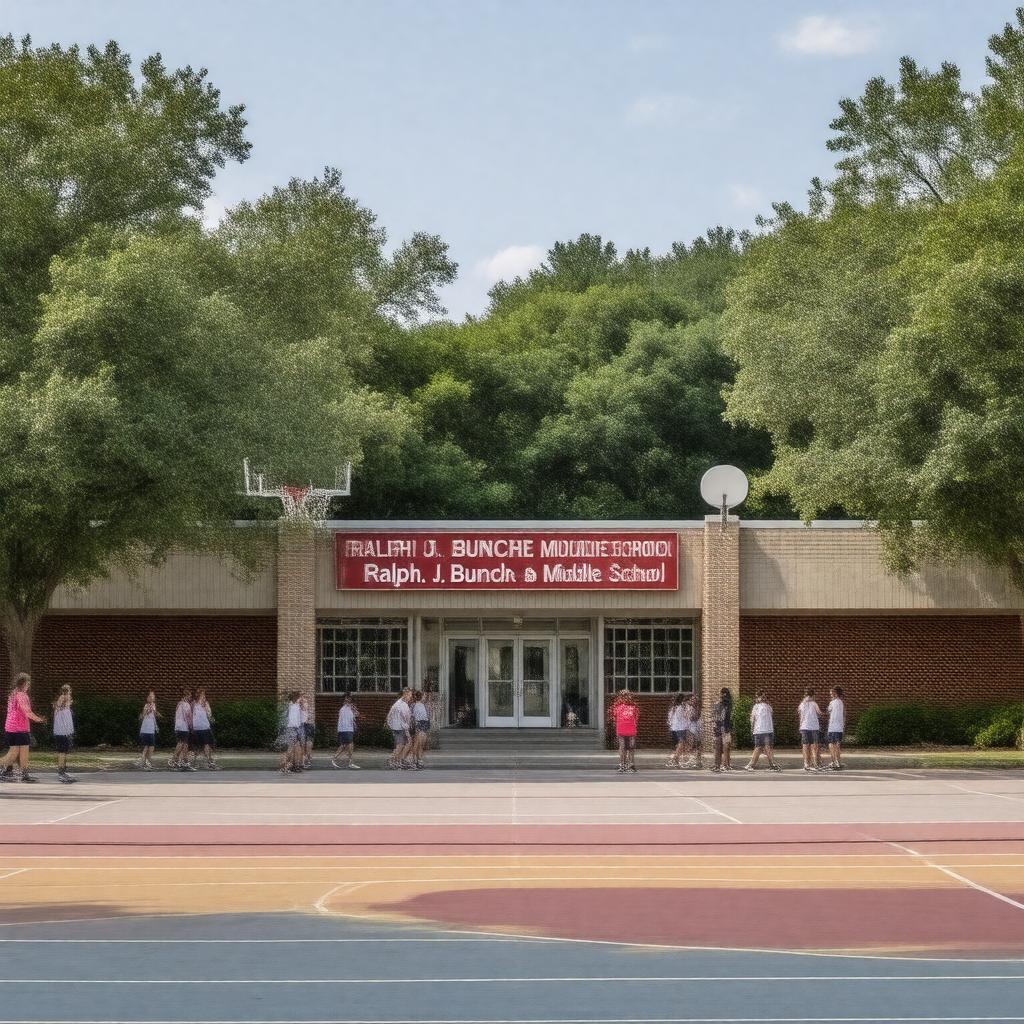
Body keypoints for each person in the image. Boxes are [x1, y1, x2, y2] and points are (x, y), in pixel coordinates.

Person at [0, 673, 46, 783]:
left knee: (13, 753)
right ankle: (24, 775)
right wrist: (39, 719)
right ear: (24, 683)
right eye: (28, 683)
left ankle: (17, 773)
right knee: (23, 752)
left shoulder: (13, 693)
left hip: (10, 728)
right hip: (19, 728)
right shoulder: (21, 695)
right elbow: (27, 711)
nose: (28, 685)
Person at [745, 691, 782, 772]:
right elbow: (752, 719)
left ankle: (772, 765)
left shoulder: (768, 706)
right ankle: (750, 765)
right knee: (758, 748)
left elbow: (771, 715)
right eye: (761, 696)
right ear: (757, 698)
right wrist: (752, 729)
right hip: (759, 730)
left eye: (764, 696)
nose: (762, 698)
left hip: (768, 730)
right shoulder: (756, 707)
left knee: (768, 747)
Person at [610, 689, 639, 773]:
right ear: (621, 697)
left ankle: (631, 765)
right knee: (622, 747)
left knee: (631, 748)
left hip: (631, 730)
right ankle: (622, 764)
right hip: (621, 730)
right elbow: (614, 717)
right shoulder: (617, 707)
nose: (626, 697)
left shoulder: (634, 707)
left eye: (627, 695)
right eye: (624, 696)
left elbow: (636, 718)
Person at [52, 684, 77, 783]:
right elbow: (57, 707)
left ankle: (63, 771)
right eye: (68, 693)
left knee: (65, 751)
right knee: (62, 751)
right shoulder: (60, 707)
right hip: (61, 732)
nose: (69, 696)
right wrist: (60, 703)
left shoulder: (66, 708)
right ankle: (61, 773)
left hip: (65, 732)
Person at [189, 687, 217, 770]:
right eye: (202, 694)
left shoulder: (204, 703)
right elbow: (190, 715)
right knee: (198, 746)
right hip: (198, 728)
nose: (203, 696)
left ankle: (209, 762)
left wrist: (206, 708)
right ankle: (192, 762)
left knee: (205, 745)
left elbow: (209, 715)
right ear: (198, 695)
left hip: (203, 727)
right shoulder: (193, 704)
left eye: (204, 694)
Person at [386, 688, 414, 770]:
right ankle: (396, 761)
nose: (410, 697)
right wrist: (407, 726)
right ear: (405, 694)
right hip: (401, 727)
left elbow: (389, 715)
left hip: (396, 727)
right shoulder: (402, 705)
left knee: (401, 745)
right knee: (403, 745)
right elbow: (406, 717)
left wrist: (390, 724)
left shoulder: (397, 703)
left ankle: (397, 761)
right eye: (409, 695)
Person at [331, 694, 360, 770]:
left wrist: (354, 710)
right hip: (345, 729)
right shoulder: (344, 709)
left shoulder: (350, 708)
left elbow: (357, 714)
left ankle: (348, 761)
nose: (348, 701)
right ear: (344, 701)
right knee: (347, 745)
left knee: (348, 745)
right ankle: (335, 759)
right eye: (347, 700)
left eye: (349, 700)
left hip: (349, 729)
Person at [798, 687, 823, 773]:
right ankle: (815, 763)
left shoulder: (802, 704)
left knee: (805, 746)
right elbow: (819, 713)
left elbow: (800, 716)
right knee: (814, 746)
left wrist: (800, 726)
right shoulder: (814, 704)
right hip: (814, 727)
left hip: (804, 727)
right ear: (813, 695)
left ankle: (806, 764)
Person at [710, 688, 734, 773]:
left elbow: (716, 717)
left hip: (721, 728)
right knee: (723, 748)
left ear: (722, 694)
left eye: (720, 694)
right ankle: (723, 765)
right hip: (723, 728)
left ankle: (719, 766)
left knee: (720, 748)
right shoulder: (727, 704)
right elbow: (715, 716)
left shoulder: (725, 705)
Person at [170, 688, 193, 771]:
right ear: (186, 696)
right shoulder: (187, 705)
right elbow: (189, 717)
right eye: (190, 695)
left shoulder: (179, 704)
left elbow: (176, 716)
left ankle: (181, 762)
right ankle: (174, 761)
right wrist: (191, 727)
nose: (191, 697)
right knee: (182, 744)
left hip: (178, 726)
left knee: (183, 744)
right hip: (184, 727)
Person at [280, 691, 303, 775]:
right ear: (295, 698)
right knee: (292, 748)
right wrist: (297, 729)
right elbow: (293, 720)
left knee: (294, 748)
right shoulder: (293, 706)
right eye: (299, 697)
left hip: (293, 729)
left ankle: (292, 766)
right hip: (292, 729)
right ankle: (286, 766)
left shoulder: (294, 706)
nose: (300, 698)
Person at [138, 691, 159, 771]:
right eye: (150, 696)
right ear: (147, 698)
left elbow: (154, 716)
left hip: (150, 729)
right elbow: (143, 715)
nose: (152, 698)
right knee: (151, 746)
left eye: (153, 696)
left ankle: (144, 763)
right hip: (146, 729)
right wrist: (148, 709)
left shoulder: (153, 705)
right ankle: (147, 762)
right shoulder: (147, 705)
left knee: (147, 746)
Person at [826, 685, 846, 771]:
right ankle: (838, 762)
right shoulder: (841, 702)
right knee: (837, 745)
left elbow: (828, 711)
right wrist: (843, 725)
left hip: (832, 727)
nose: (830, 694)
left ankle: (834, 761)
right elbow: (844, 714)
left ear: (835, 693)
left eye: (831, 693)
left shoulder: (832, 703)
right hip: (839, 727)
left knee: (831, 745)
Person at [665, 694, 687, 769]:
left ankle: (676, 761)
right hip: (680, 728)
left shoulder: (673, 708)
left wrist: (671, 726)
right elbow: (683, 717)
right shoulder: (680, 708)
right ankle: (675, 758)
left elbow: (669, 719)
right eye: (684, 699)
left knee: (677, 745)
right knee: (681, 743)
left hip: (674, 728)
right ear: (682, 700)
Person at [682, 693, 703, 768]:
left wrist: (690, 715)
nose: (692, 701)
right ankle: (691, 759)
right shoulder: (689, 707)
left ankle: (698, 760)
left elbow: (695, 717)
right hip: (690, 727)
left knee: (697, 744)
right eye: (692, 699)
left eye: (694, 700)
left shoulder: (697, 708)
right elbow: (685, 716)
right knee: (690, 744)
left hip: (695, 727)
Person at [411, 689, 430, 770]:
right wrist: (417, 727)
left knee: (421, 744)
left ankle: (419, 760)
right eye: (424, 696)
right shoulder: (416, 705)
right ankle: (414, 760)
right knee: (417, 744)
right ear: (421, 697)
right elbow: (414, 717)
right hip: (419, 725)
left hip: (424, 725)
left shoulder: (422, 705)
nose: (425, 697)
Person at [299, 695, 314, 769]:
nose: (305, 703)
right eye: (304, 702)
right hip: (302, 726)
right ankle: (303, 761)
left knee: (309, 744)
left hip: (307, 726)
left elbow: (308, 716)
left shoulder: (305, 708)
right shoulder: (298, 709)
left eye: (306, 702)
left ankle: (308, 759)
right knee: (303, 745)